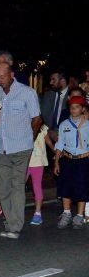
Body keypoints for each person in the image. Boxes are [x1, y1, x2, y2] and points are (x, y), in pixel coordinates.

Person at [0, 63, 43, 239]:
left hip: (21, 148)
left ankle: (15, 226)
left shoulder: (27, 93)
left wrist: (31, 138)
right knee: (3, 187)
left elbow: (37, 118)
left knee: (17, 186)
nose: (0, 81)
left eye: (2, 77)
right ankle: (10, 221)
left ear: (11, 74)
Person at [53, 95, 89, 229]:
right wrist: (56, 162)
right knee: (66, 186)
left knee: (82, 186)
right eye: (71, 108)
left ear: (82, 109)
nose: (73, 110)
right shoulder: (64, 124)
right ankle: (66, 213)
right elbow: (59, 144)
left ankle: (79, 215)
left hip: (83, 159)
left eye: (77, 107)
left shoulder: (87, 125)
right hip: (67, 159)